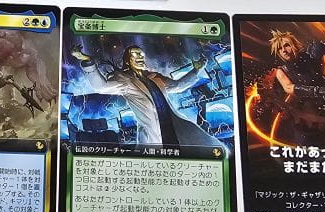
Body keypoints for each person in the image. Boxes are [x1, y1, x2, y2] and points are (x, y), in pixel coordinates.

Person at [70, 44, 222, 147]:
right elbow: (101, 86)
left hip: (174, 129)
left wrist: (196, 70)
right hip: (152, 135)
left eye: (142, 54)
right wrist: (88, 61)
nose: (140, 57)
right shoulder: (124, 79)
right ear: (127, 60)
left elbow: (178, 85)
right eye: (136, 54)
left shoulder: (155, 77)